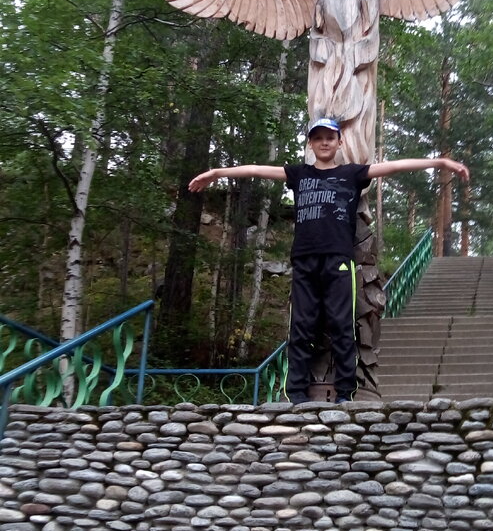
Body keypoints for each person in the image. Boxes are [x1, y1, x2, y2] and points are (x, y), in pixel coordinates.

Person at [189, 117, 469, 404]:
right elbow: (256, 170)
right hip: (304, 262)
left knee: (342, 326)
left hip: (339, 261)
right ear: (310, 143)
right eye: (318, 138)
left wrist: (439, 163)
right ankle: (296, 394)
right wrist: (217, 172)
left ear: (339, 142)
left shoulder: (352, 173)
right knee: (301, 328)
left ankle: (345, 393)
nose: (324, 142)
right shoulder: (299, 174)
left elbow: (394, 166)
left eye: (330, 137)